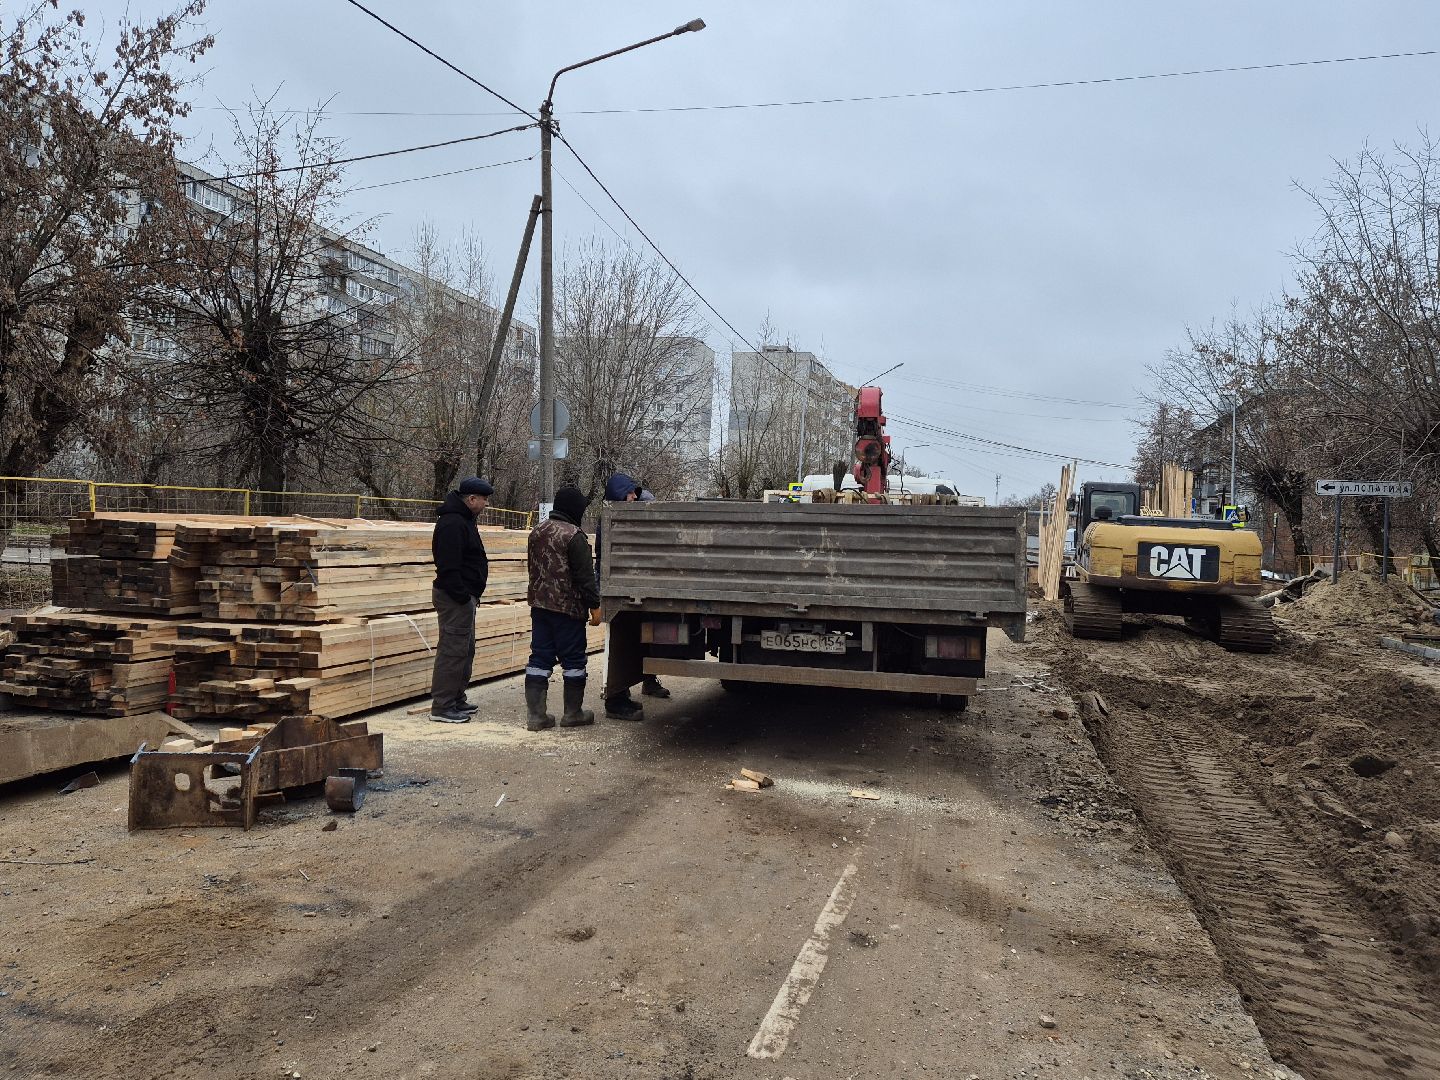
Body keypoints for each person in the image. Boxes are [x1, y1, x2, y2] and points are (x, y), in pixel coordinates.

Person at [525, 485, 603, 730]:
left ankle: (537, 717)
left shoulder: (536, 531)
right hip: (567, 610)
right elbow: (585, 576)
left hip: (539, 606)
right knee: (574, 661)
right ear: (575, 509)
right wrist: (595, 606)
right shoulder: (574, 535)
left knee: (540, 657)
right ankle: (573, 713)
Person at [595, 472, 668, 720]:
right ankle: (615, 699)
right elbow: (602, 559)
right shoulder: (610, 518)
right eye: (628, 495)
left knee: (643, 640)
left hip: (641, 588)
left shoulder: (639, 508)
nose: (632, 497)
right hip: (620, 592)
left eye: (633, 494)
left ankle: (635, 687)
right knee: (620, 644)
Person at [429, 476, 492, 723]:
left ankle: (456, 699)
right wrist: (463, 597)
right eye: (484, 499)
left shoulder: (465, 520)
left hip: (465, 598)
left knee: (465, 650)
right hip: (455, 597)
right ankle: (442, 707)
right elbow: (448, 567)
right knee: (452, 652)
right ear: (471, 499)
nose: (486, 504)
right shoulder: (452, 523)